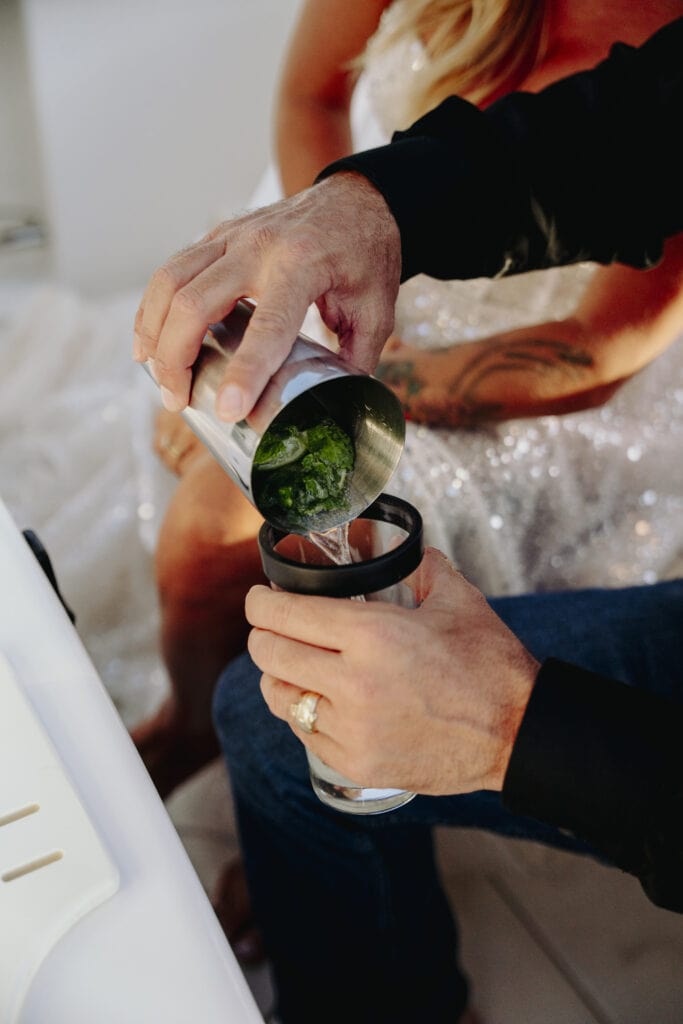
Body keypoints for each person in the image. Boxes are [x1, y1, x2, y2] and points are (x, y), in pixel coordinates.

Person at [134, 13, 683, 1022]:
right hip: (373, 304)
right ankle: (220, 754)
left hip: (541, 380)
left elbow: (598, 350)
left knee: (269, 544)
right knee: (263, 677)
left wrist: (511, 728)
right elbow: (634, 128)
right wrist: (352, 221)